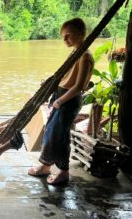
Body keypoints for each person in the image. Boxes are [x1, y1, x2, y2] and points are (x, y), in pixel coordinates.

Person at [27, 18, 94, 185]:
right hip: (61, 97)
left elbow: (78, 87)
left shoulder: (85, 57)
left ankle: (60, 171)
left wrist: (60, 101)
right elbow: (66, 77)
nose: (65, 40)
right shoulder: (76, 52)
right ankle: (48, 166)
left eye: (68, 36)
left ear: (82, 34)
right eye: (63, 37)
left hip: (68, 101)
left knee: (58, 136)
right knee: (53, 133)